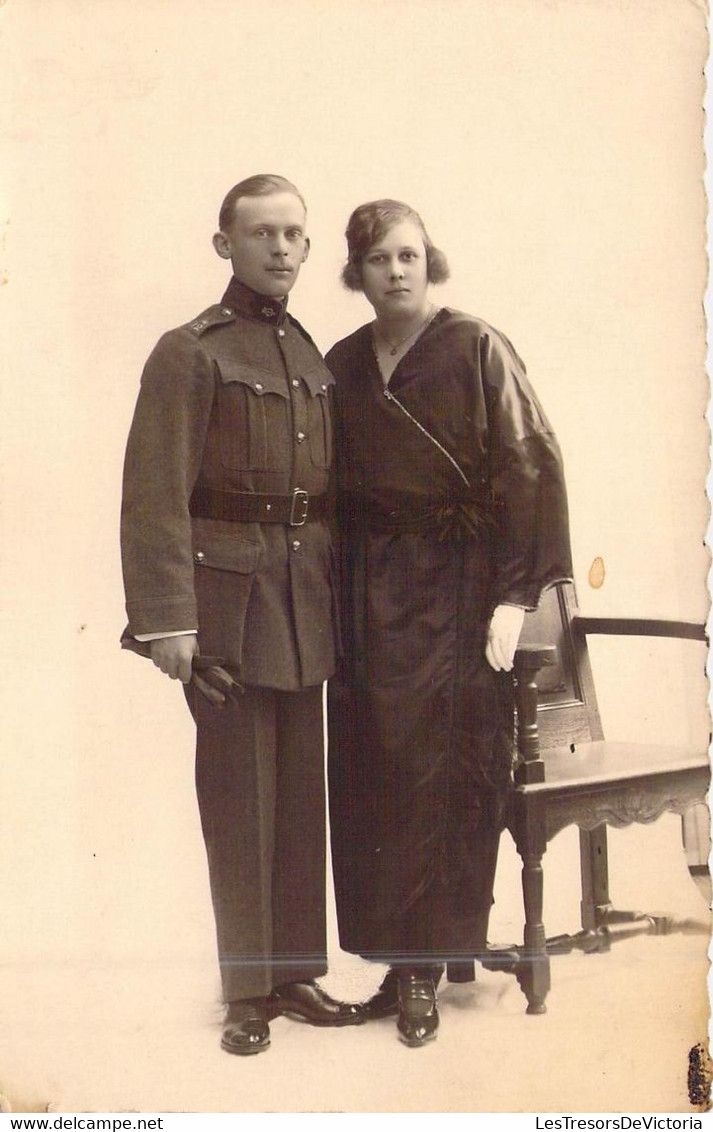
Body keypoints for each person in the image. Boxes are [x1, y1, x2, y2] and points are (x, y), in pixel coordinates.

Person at [120, 174, 364, 1056]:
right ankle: (247, 992)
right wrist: (165, 622)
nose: (280, 249)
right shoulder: (190, 350)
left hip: (305, 596)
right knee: (238, 796)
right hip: (225, 602)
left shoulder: (308, 351)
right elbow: (153, 495)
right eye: (261, 233)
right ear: (224, 245)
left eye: (294, 234)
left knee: (300, 794)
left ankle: (297, 975)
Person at [326, 199, 572, 1047]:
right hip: (371, 592)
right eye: (376, 258)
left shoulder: (475, 347)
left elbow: (530, 465)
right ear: (354, 273)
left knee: (446, 777)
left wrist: (513, 598)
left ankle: (429, 967)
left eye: (407, 254)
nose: (394, 271)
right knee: (373, 775)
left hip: (462, 592)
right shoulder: (342, 363)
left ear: (429, 260)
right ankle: (395, 963)